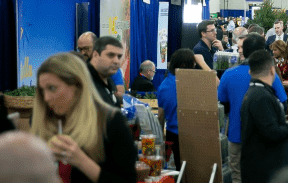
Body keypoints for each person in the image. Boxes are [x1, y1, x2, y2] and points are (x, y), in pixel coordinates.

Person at [31, 52, 137, 182]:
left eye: (52, 88)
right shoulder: (44, 121)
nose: (46, 98)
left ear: (77, 85)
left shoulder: (110, 122)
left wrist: (81, 160)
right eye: (42, 90)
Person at [219, 33, 288, 183]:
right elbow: (283, 103)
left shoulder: (228, 74)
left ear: (243, 50)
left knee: (237, 176)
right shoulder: (270, 74)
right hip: (264, 137)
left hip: (236, 134)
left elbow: (222, 103)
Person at [241, 50, 288, 183]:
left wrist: (284, 123)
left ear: (250, 72)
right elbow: (271, 132)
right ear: (272, 70)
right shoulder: (261, 96)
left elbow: (265, 124)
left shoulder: (257, 93)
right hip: (266, 169)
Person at [157, 48, 196, 171]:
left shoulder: (163, 85)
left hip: (171, 134)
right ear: (185, 64)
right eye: (193, 62)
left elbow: (160, 115)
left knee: (176, 170)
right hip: (190, 135)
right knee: (190, 172)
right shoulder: (190, 82)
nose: (194, 65)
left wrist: (161, 138)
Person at [87, 36, 123, 108]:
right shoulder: (83, 80)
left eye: (119, 56)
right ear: (95, 55)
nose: (116, 61)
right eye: (110, 55)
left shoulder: (108, 81)